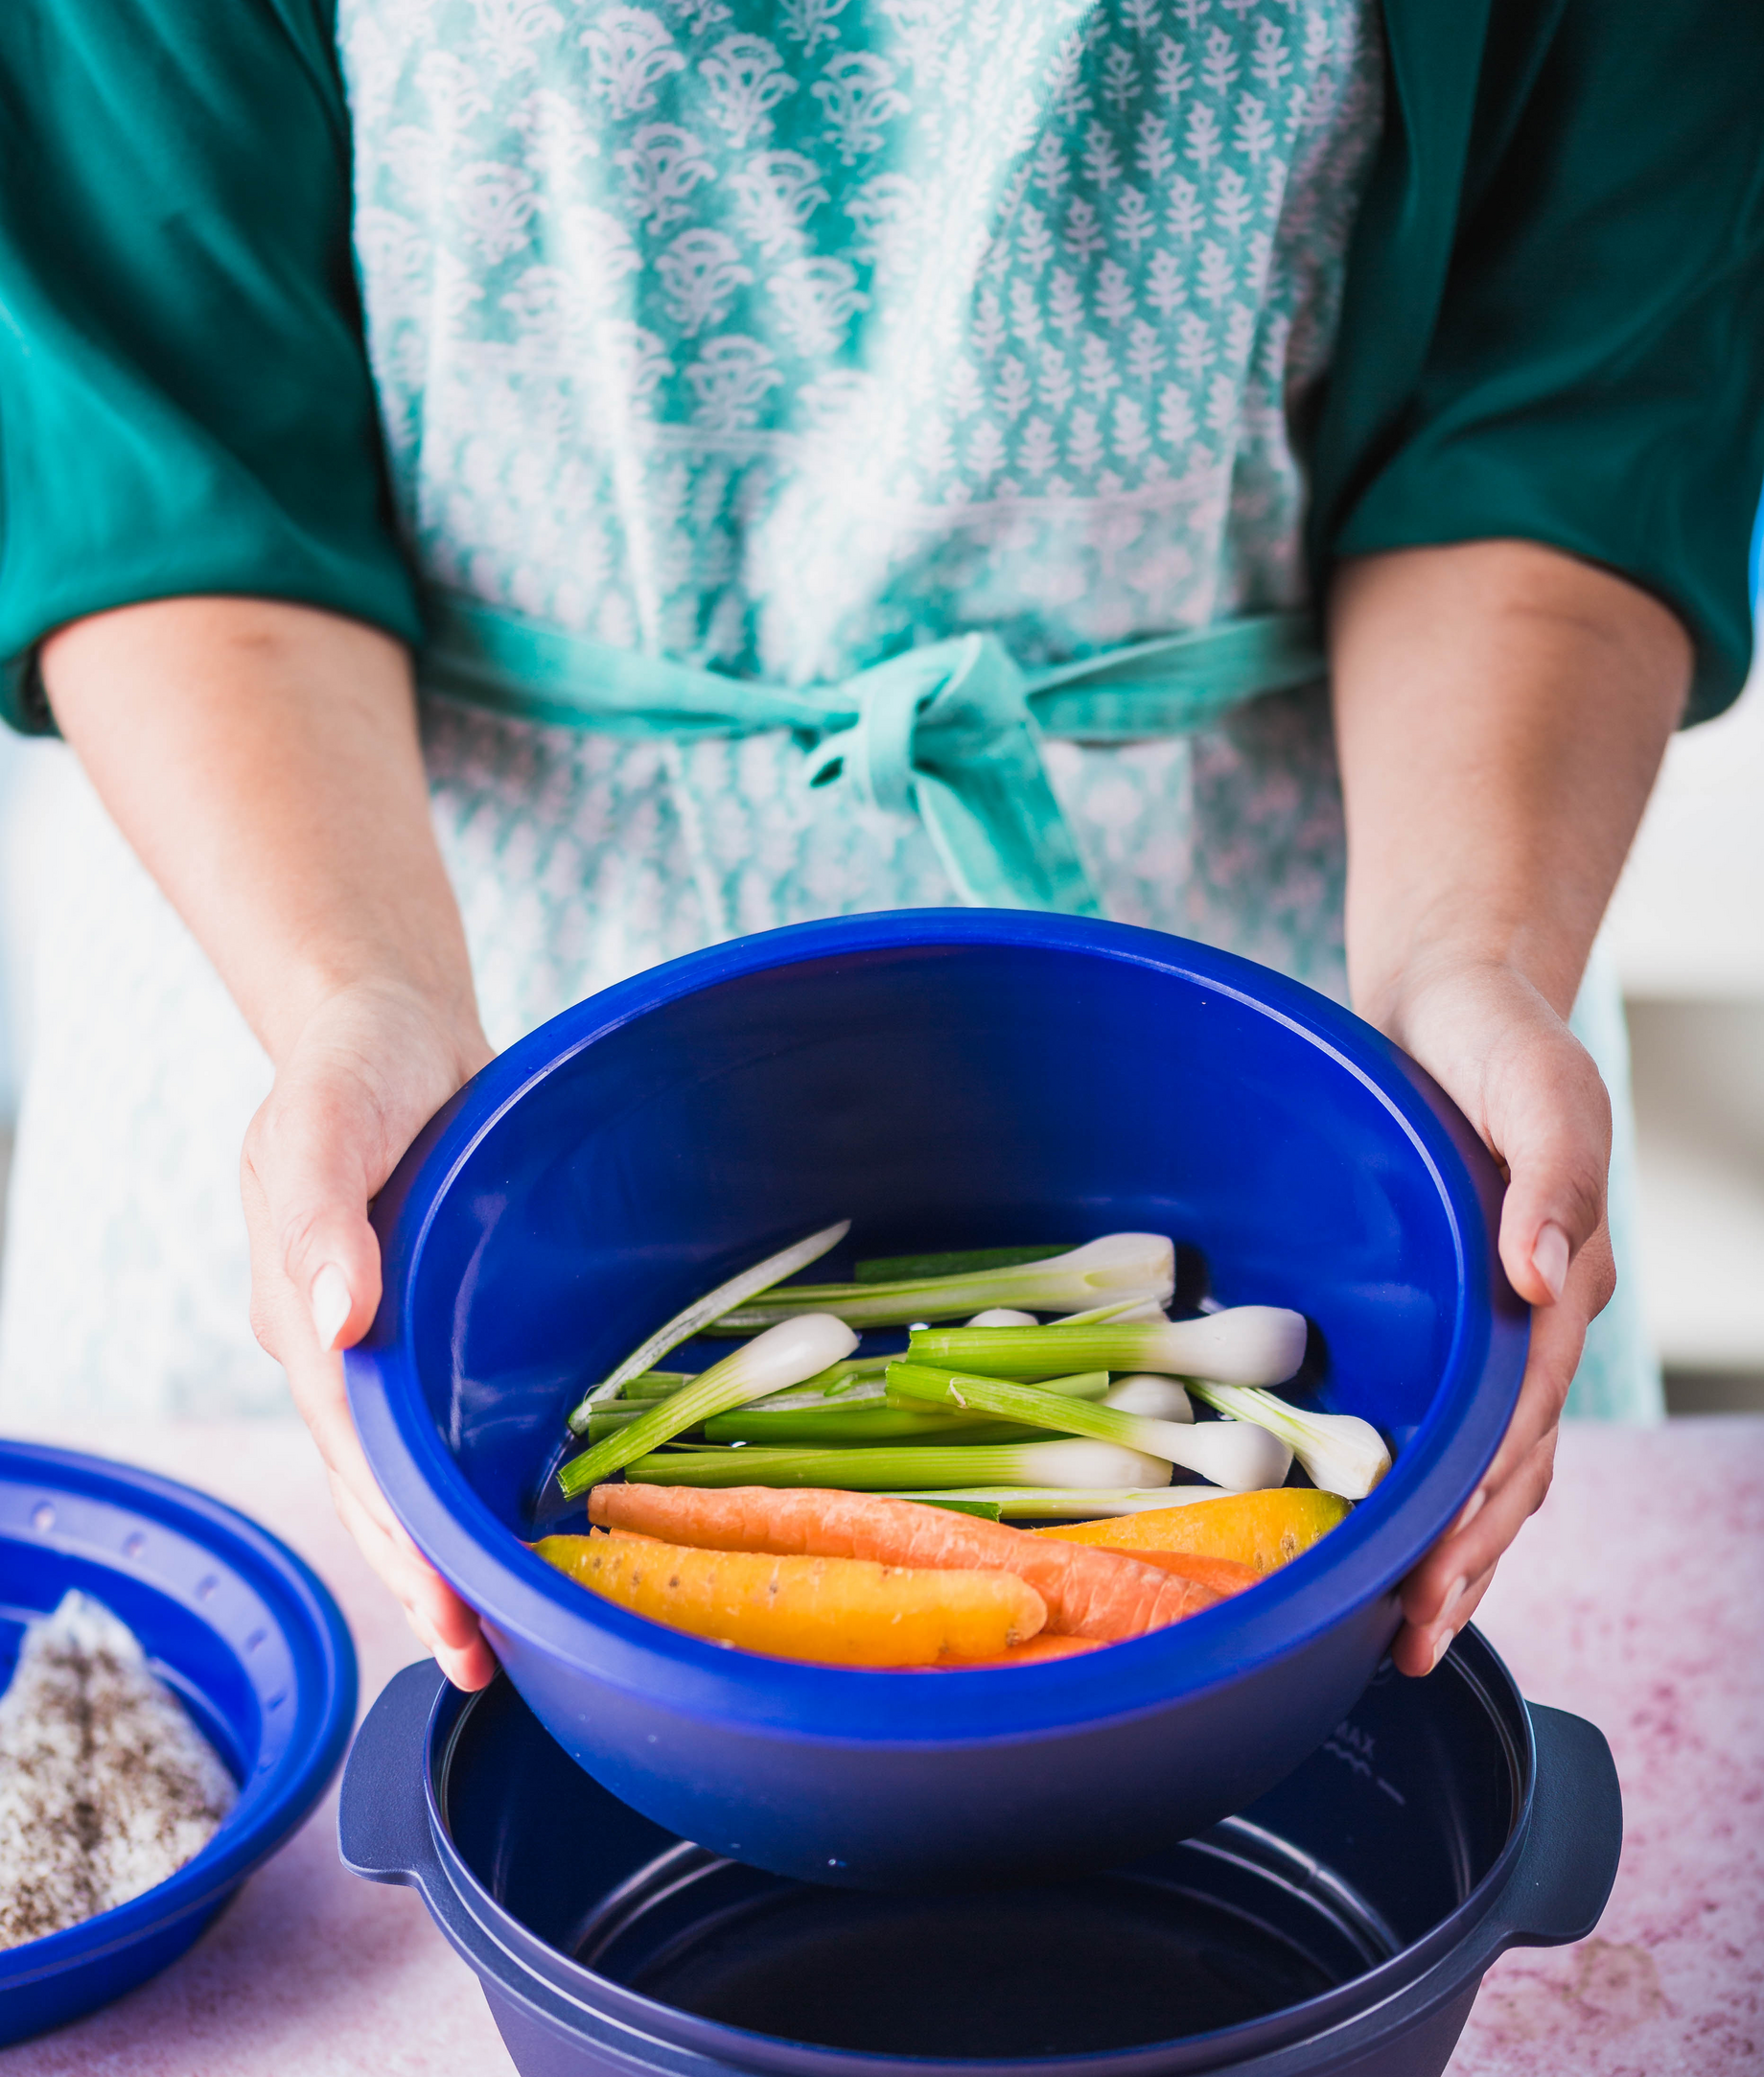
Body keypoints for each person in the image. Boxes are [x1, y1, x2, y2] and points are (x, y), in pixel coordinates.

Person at [0, 1, 1758, 1692]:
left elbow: (1562, 399)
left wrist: (1474, 958)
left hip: (1299, 1005)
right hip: (390, 949)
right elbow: (167, 441)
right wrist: (351, 997)